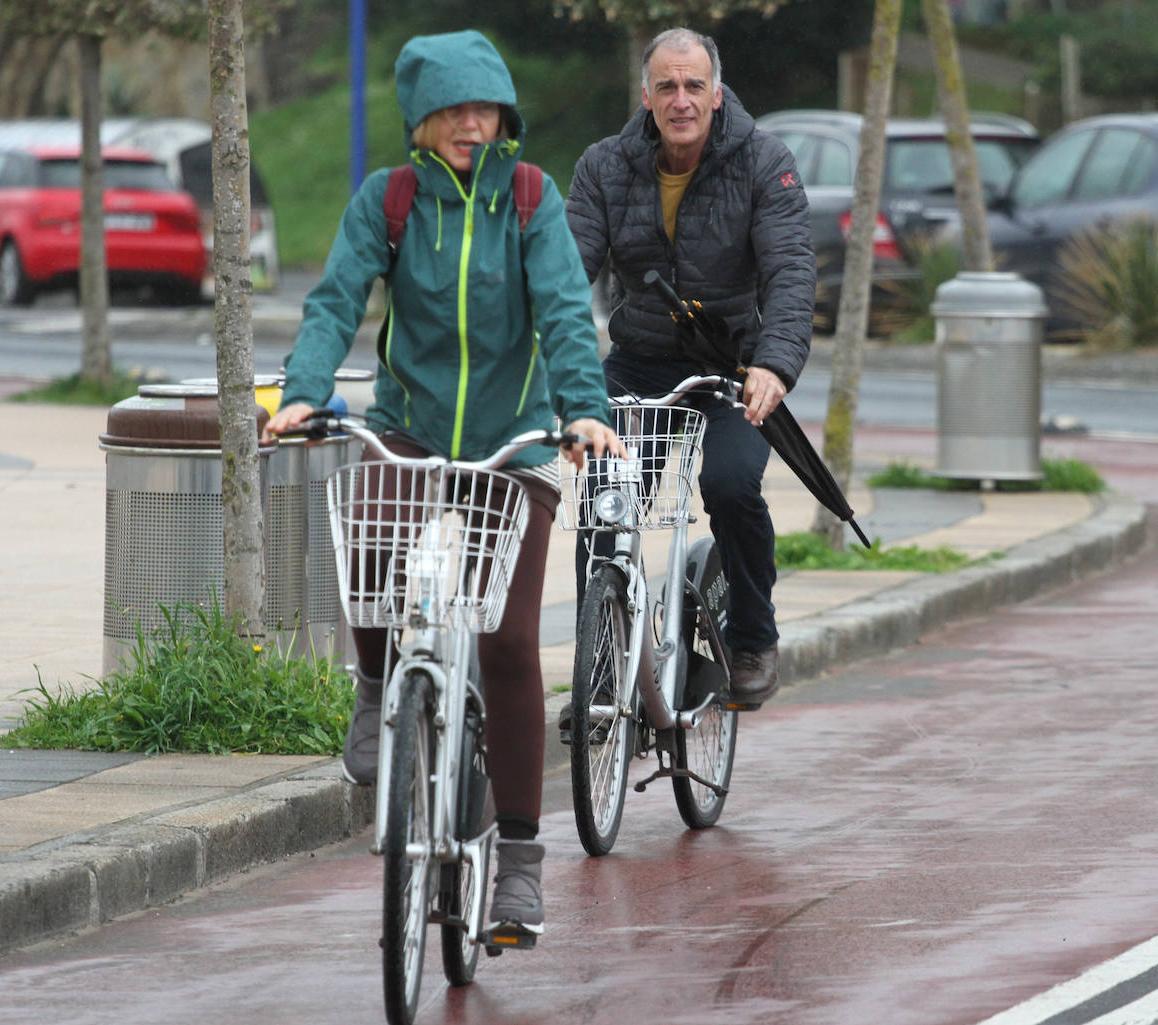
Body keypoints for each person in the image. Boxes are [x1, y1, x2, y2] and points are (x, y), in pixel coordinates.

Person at [265, 29, 623, 939]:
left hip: (519, 439)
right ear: (420, 123)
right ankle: (380, 683)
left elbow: (563, 311)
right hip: (412, 428)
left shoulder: (531, 198)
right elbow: (334, 303)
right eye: (455, 110)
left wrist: (584, 410)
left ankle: (520, 864)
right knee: (372, 548)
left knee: (505, 641)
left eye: (487, 108)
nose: (474, 124)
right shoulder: (386, 202)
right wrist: (304, 396)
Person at [564, 27, 816, 706]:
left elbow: (791, 272)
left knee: (732, 485)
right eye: (667, 86)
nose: (681, 99)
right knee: (608, 499)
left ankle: (754, 637)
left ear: (717, 93)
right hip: (638, 364)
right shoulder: (603, 165)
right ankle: (606, 655)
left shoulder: (764, 162)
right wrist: (552, 370)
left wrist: (773, 367)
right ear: (645, 96)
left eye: (694, 86)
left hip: (730, 371)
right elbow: (565, 279)